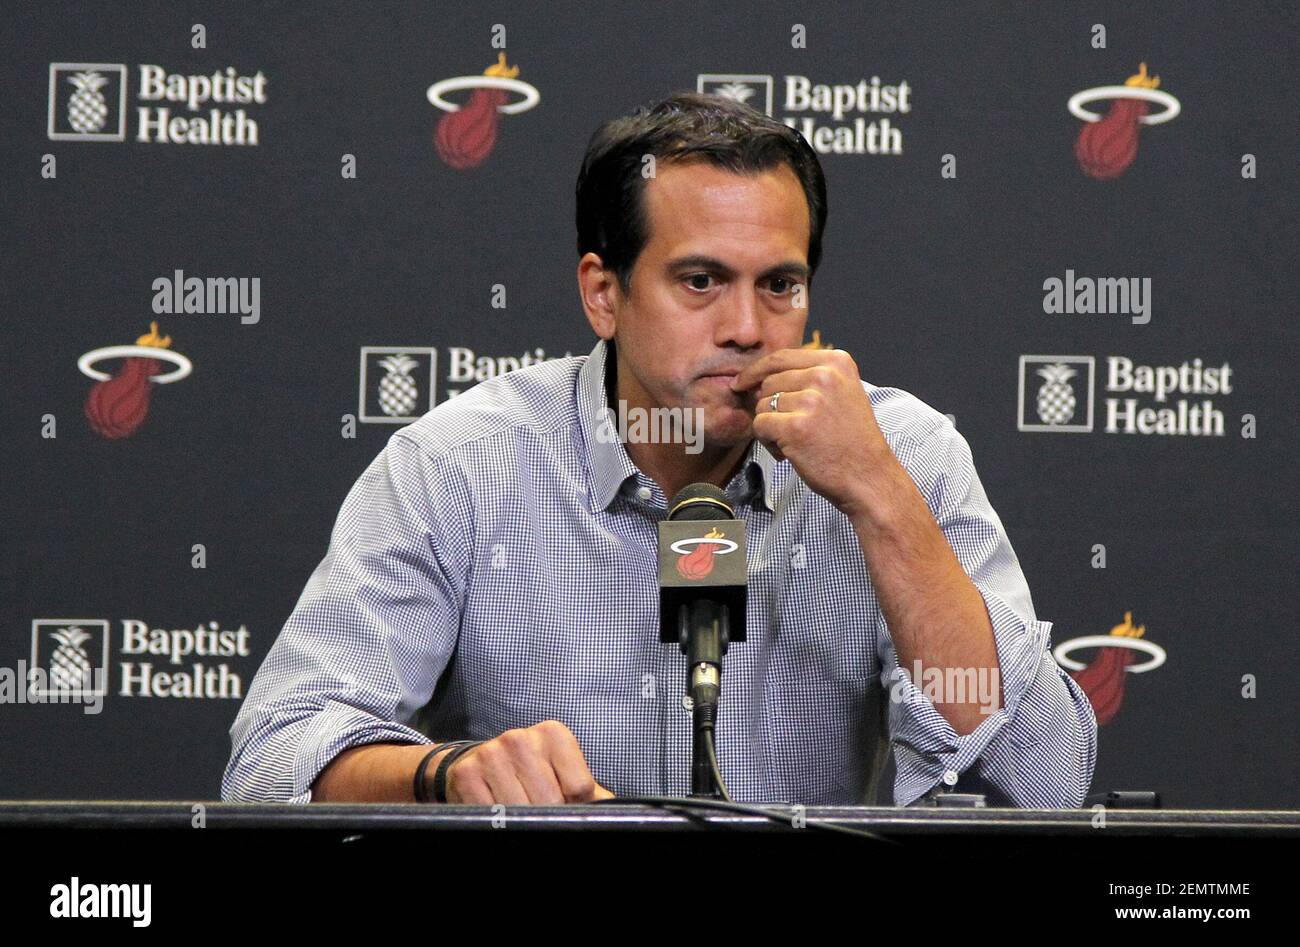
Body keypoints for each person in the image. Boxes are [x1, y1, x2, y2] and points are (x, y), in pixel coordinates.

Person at [222, 92, 1096, 807]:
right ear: (603, 293)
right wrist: (445, 773)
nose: (748, 329)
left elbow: (1046, 784)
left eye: (780, 286)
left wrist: (882, 500)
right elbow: (273, 761)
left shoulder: (902, 454)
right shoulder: (460, 466)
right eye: (701, 281)